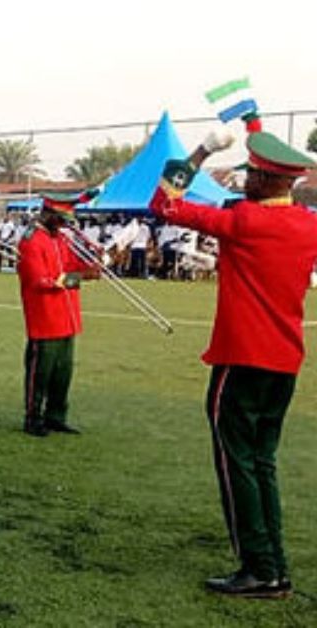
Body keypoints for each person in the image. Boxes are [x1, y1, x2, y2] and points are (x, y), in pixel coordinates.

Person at [151, 116, 317, 599]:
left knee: (236, 462)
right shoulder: (307, 225)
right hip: (284, 360)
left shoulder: (245, 220)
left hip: (242, 356)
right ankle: (273, 566)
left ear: (265, 179)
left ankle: (259, 567)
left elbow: (164, 203)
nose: (244, 180)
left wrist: (203, 150)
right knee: (262, 462)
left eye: (250, 173)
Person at [16, 190, 100, 437]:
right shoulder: (31, 240)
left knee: (63, 372)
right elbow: (41, 281)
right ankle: (33, 417)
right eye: (61, 219)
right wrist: (81, 276)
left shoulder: (60, 238)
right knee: (40, 373)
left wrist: (94, 262)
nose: (64, 225)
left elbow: (72, 264)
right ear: (48, 214)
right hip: (45, 318)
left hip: (67, 318)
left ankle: (56, 415)